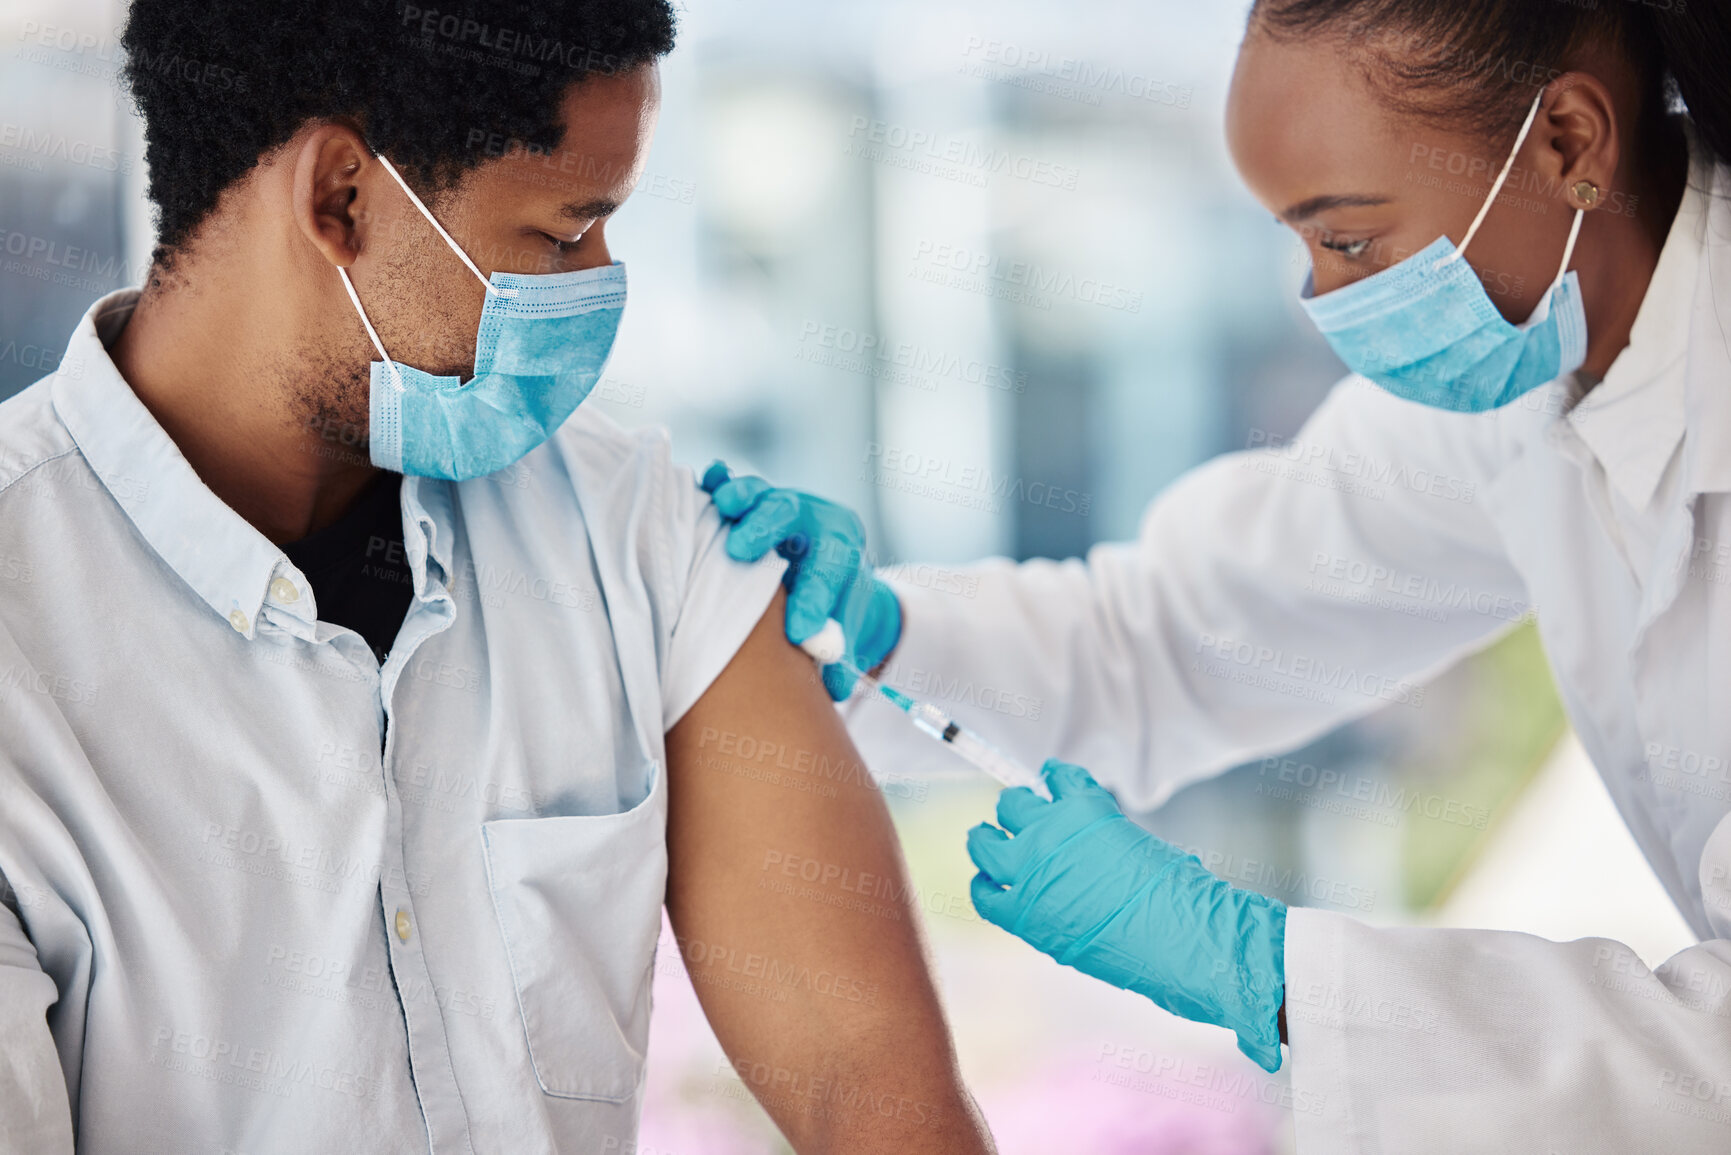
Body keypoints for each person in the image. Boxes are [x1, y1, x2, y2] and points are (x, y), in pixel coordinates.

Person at [711, 1, 1731, 1149]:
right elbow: (1174, 638)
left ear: (1569, 142)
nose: (1325, 304)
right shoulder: (1530, 385)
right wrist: (878, 641)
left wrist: (1266, 973)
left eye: (1350, 240)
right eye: (1302, 245)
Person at [0, 3, 997, 1152]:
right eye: (563, 237)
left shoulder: (635, 533)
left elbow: (867, 1090)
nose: (601, 288)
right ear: (341, 198)